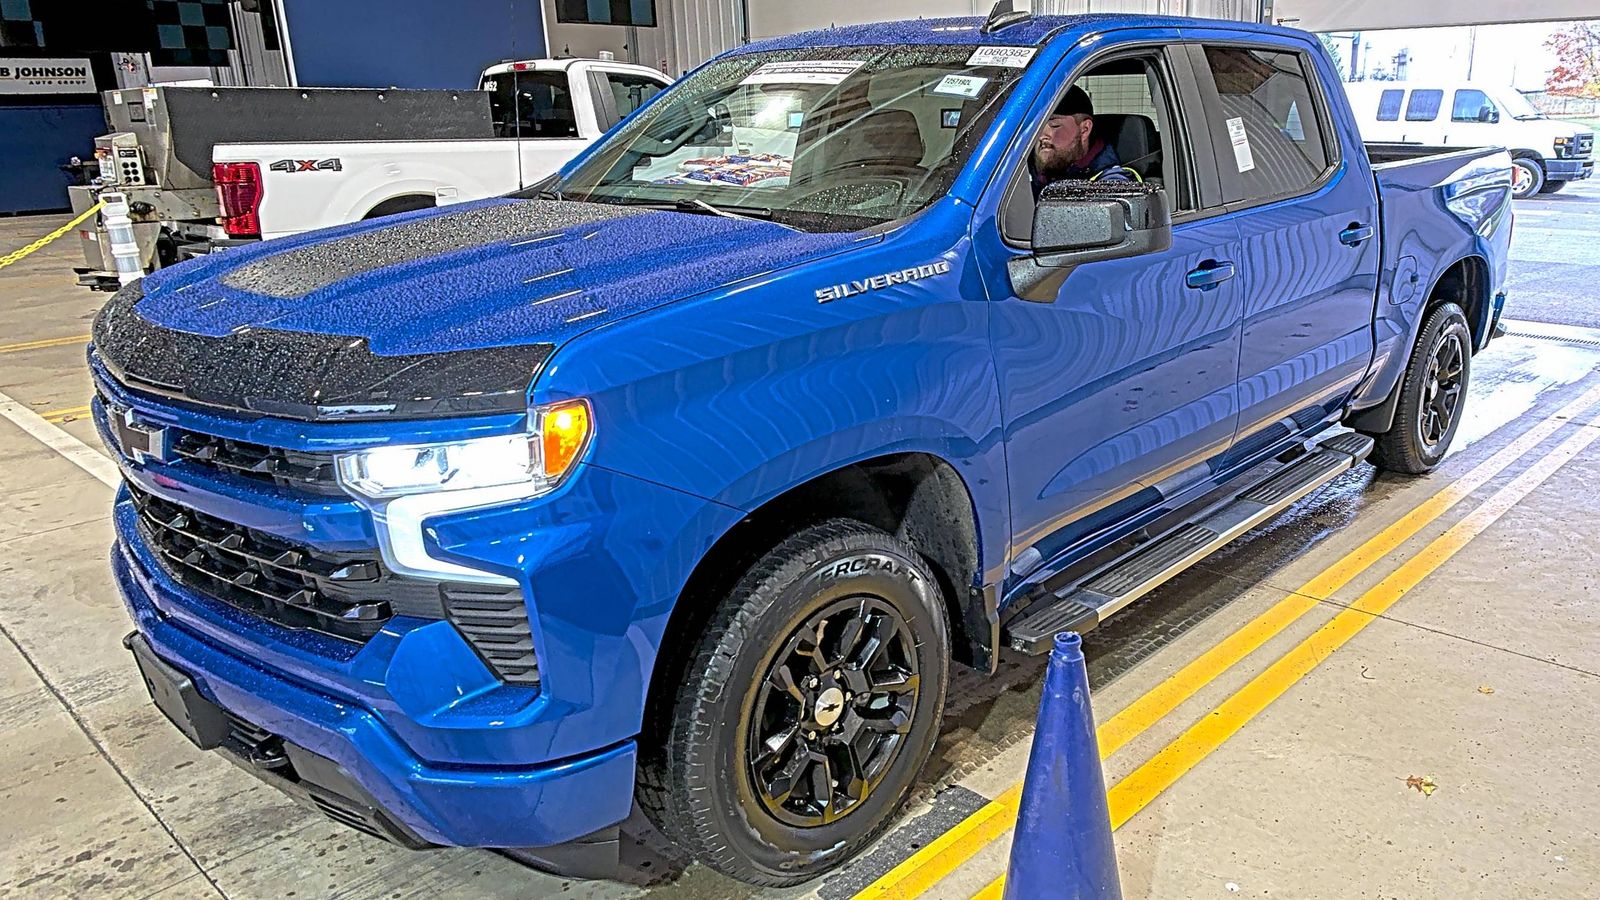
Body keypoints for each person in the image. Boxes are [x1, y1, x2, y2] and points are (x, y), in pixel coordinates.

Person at [1030, 85, 1137, 196]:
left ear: (1084, 130)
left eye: (1054, 125)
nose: (1041, 136)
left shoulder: (1111, 185)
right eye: (1036, 127)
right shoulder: (1021, 173)